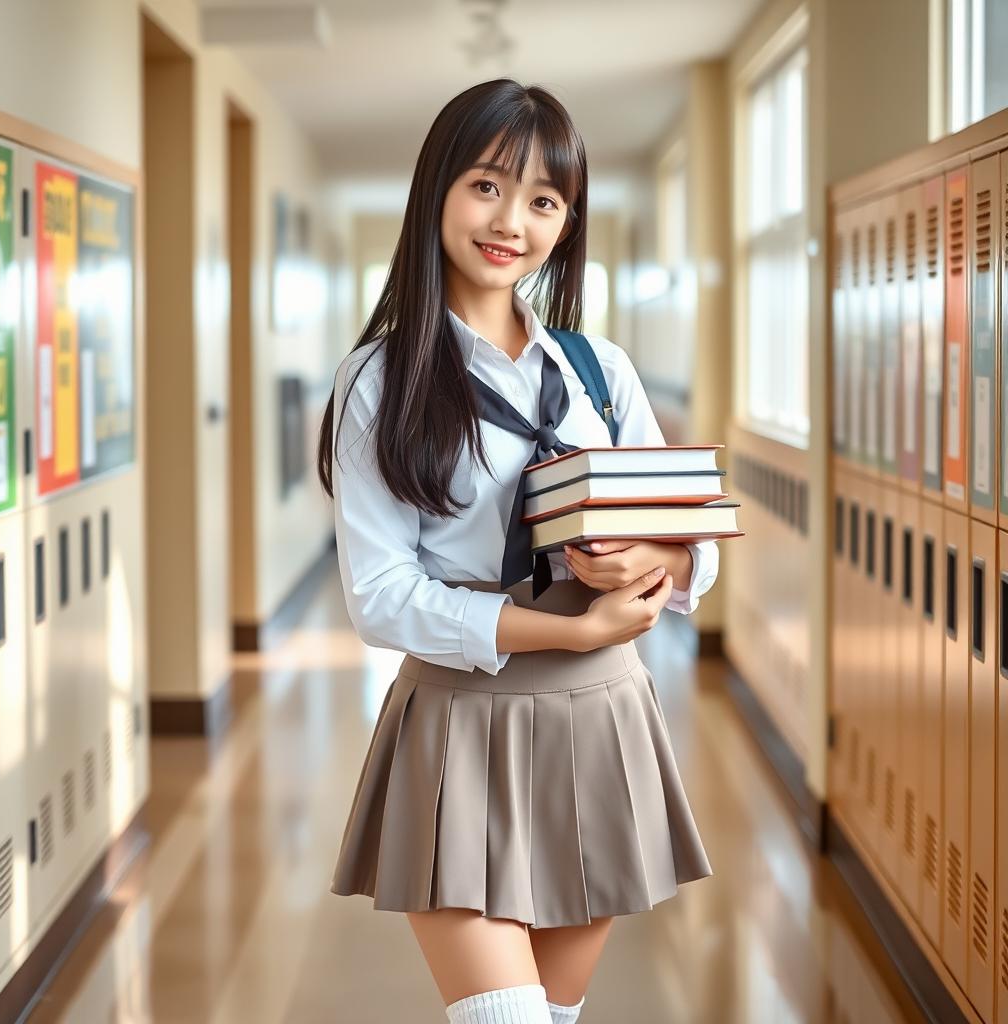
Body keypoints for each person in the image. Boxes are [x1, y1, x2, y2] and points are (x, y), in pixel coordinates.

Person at [318, 78, 717, 1024]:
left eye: (544, 201)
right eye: (488, 186)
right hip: (461, 723)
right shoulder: (381, 380)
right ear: (438, 192)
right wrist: (564, 631)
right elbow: (379, 594)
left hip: (602, 720)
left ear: (566, 222)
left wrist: (644, 565)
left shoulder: (597, 370)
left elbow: (690, 538)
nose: (513, 222)